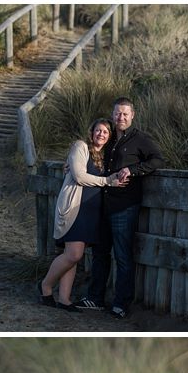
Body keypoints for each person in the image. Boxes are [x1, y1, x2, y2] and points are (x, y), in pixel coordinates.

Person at [73, 97, 165, 319]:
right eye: (117, 113)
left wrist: (132, 170)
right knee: (100, 254)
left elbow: (157, 160)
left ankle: (121, 303)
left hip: (125, 206)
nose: (120, 117)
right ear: (113, 115)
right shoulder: (111, 137)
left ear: (132, 116)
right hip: (103, 205)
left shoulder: (140, 139)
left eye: (125, 114)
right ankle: (95, 298)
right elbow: (92, 153)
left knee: (123, 256)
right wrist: (71, 163)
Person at [37, 119, 126, 311]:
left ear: (109, 136)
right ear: (91, 132)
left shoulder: (103, 156)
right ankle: (45, 286)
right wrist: (107, 181)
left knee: (74, 256)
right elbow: (79, 175)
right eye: (98, 130)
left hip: (91, 212)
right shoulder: (81, 146)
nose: (101, 134)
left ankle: (64, 299)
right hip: (75, 208)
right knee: (73, 254)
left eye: (105, 132)